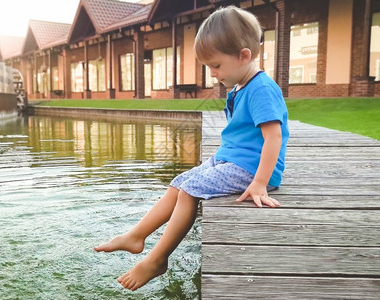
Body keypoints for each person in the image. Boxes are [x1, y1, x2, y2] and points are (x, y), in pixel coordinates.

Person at [94, 6, 289, 291]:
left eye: (217, 65)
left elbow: (274, 137)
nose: (212, 74)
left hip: (251, 169)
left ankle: (157, 260)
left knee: (190, 191)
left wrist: (259, 183)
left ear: (244, 56)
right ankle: (136, 235)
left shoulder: (261, 89)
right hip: (230, 159)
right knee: (179, 182)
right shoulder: (241, 85)